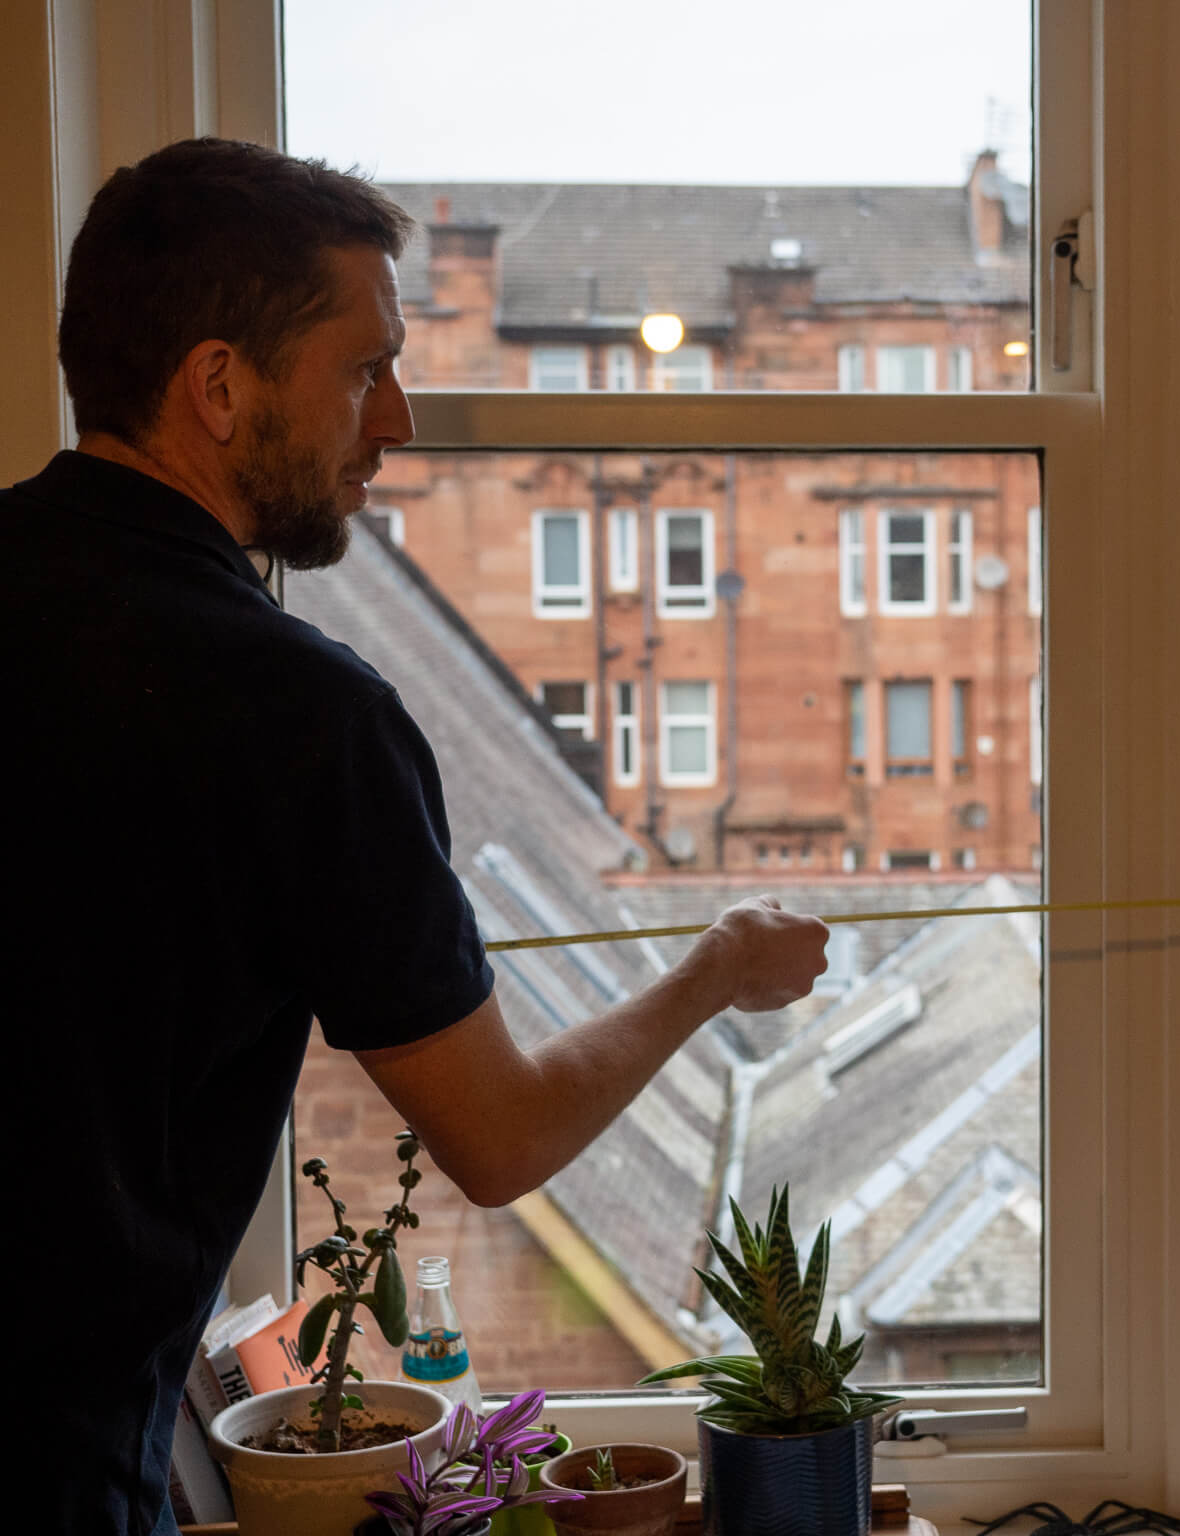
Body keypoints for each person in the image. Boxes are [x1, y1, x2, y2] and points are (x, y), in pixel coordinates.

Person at [3, 137, 829, 1535]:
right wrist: (716, 969)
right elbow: (497, 1139)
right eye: (363, 369)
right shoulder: (297, 714)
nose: (395, 420)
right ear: (217, 386)